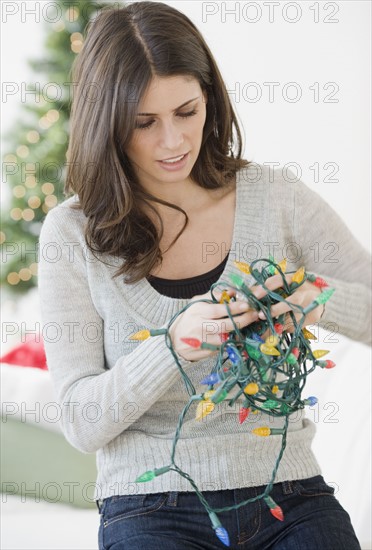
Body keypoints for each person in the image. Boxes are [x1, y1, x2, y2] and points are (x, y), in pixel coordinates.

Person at [37, 2, 371, 549]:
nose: (173, 142)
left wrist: (317, 297)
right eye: (144, 123)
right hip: (148, 506)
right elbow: (79, 420)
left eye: (187, 112)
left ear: (210, 100)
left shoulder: (275, 197)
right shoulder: (72, 234)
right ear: (108, 123)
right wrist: (171, 347)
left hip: (288, 492)